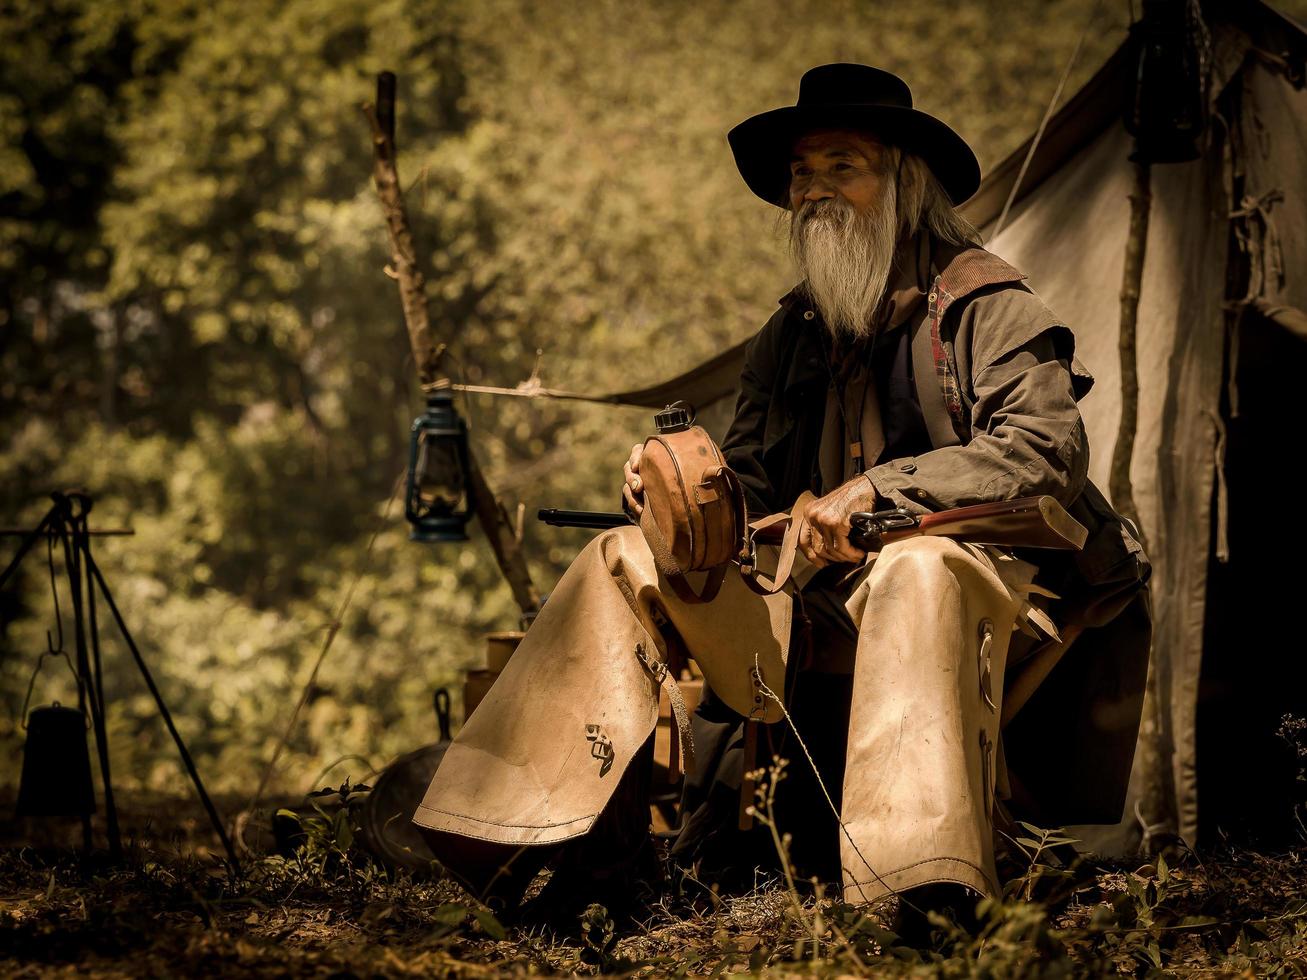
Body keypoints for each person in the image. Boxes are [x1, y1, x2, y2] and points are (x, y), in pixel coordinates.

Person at [414, 63, 1151, 932]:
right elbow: (752, 487)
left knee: (916, 566)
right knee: (617, 557)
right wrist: (678, 492)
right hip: (807, 601)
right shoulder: (791, 332)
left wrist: (877, 489)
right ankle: (553, 859)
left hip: (984, 592)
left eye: (843, 167)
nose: (814, 192)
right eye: (803, 174)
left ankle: (916, 889)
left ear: (903, 184)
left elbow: (1042, 453)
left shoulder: (987, 303)